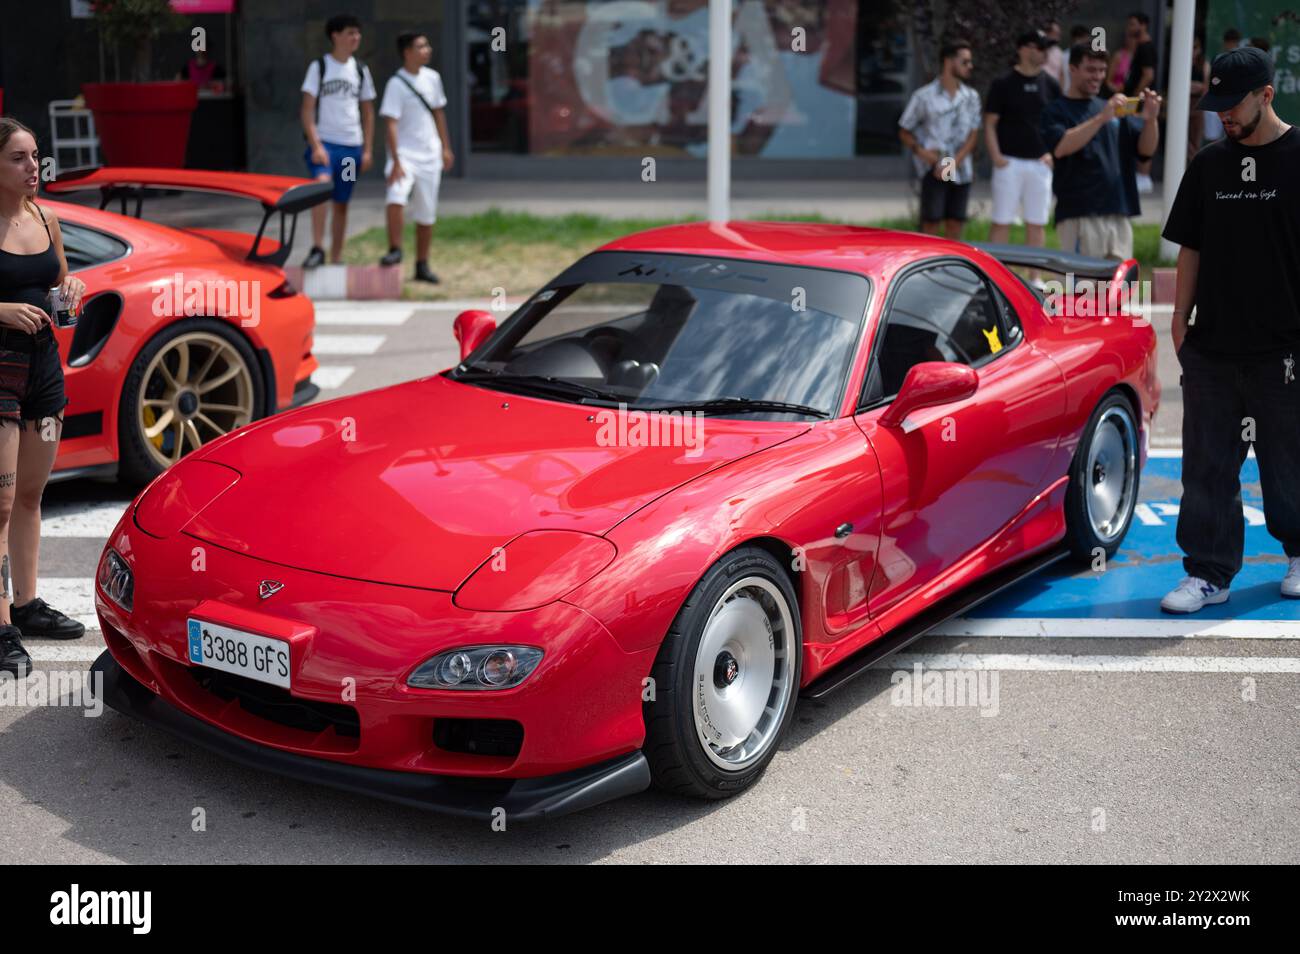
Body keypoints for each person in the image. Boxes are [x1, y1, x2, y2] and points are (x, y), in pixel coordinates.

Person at [1159, 46, 1300, 612]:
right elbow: (1191, 246)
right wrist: (1177, 320)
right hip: (1213, 347)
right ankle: (1209, 574)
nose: (1223, 115)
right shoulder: (1210, 165)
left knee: (1287, 461)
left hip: (1286, 348)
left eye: (1233, 104)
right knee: (1208, 467)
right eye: (1215, 103)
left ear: (1267, 95)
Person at [0, 118, 88, 678]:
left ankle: (27, 605)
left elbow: (59, 285)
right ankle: (2, 624)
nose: (34, 167)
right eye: (17, 158)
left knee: (31, 496)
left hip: (43, 370)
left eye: (35, 156)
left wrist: (70, 290)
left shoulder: (45, 217)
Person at [1040, 44, 1160, 260]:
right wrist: (1101, 118)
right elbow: (1060, 147)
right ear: (1072, 69)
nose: (1098, 76)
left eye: (1102, 70)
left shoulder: (1113, 108)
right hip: (1080, 214)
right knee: (1083, 292)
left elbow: (1145, 150)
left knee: (1119, 293)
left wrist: (1151, 119)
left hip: (1119, 212)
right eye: (1091, 70)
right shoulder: (1056, 110)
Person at [299, 13, 376, 267]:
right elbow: (307, 109)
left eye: (358, 33)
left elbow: (368, 112)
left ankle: (337, 255)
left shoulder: (361, 70)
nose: (356, 37)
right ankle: (317, 248)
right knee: (321, 188)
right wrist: (316, 144)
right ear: (335, 35)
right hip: (326, 145)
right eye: (350, 32)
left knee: (342, 201)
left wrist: (367, 149)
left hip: (352, 147)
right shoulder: (319, 67)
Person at [378, 32, 454, 284]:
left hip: (430, 154)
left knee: (426, 212)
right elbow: (390, 124)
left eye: (427, 45)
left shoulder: (433, 78)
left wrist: (445, 147)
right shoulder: (396, 84)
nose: (427, 50)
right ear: (407, 52)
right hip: (404, 156)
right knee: (396, 196)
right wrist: (396, 159)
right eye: (421, 46)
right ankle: (395, 249)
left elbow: (438, 113)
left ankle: (422, 265)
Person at [897, 39, 981, 240]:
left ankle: (950, 269)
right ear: (948, 61)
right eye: (965, 62)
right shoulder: (924, 96)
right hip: (933, 168)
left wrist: (953, 163)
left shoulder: (971, 96)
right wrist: (922, 153)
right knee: (931, 223)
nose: (970, 66)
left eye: (970, 62)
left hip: (961, 169)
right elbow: (904, 130)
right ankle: (928, 269)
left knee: (955, 222)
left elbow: (973, 134)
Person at [984, 30, 1060, 248]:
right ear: (1023, 49)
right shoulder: (1002, 83)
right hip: (1008, 162)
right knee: (1001, 222)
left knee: (1036, 223)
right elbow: (989, 123)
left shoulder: (1051, 84)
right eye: (1040, 47)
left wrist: (1053, 154)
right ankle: (995, 278)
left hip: (1040, 163)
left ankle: (1035, 279)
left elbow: (1059, 123)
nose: (1045, 52)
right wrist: (996, 157)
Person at [1123, 12, 1159, 193]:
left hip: (1139, 101)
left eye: (1133, 24)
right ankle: (1141, 177)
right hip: (1138, 100)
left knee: (1139, 135)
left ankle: (1143, 177)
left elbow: (1148, 75)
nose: (1130, 28)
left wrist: (1135, 98)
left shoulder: (1145, 47)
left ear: (1143, 25)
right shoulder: (1141, 46)